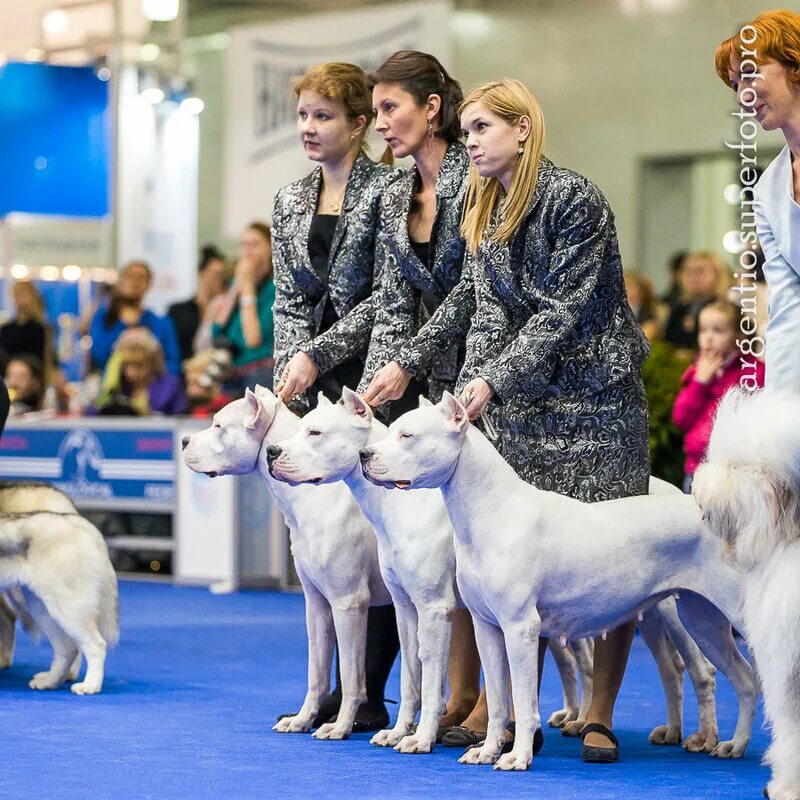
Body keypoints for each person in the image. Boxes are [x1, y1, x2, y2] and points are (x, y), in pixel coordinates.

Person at [395, 78, 650, 762]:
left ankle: (599, 713)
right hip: (526, 407)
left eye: (482, 128)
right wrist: (446, 380)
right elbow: (480, 308)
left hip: (598, 403)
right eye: (467, 131)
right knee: (518, 564)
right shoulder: (484, 204)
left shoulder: (575, 198)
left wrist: (491, 379)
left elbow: (561, 312)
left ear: (523, 129)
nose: (471, 142)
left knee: (616, 553)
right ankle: (506, 711)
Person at [349, 51, 482, 744]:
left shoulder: (476, 174)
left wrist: (409, 361)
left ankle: (491, 702)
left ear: (432, 108)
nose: (380, 122)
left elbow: (474, 291)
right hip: (434, 383)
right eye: (375, 111)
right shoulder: (395, 192)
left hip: (487, 373)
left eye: (390, 108)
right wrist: (377, 386)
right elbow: (393, 300)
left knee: (488, 546)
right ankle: (457, 697)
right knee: (445, 550)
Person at [271, 61, 403, 733]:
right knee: (322, 543)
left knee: (380, 542)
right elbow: (288, 300)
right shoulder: (289, 200)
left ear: (359, 124)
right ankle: (327, 689)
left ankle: (371, 692)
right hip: (309, 387)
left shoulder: (391, 190)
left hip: (378, 381)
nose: (308, 127)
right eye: (302, 115)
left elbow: (390, 298)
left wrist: (317, 354)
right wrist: (289, 377)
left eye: (323, 116)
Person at [717, 9, 800, 393]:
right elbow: (787, 307)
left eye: (750, 74)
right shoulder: (767, 189)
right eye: (735, 84)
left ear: (794, 64)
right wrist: (781, 405)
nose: (743, 95)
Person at [673, 300, 764, 493]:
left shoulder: (753, 372)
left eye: (718, 330)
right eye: (703, 330)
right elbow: (681, 419)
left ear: (739, 336)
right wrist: (700, 382)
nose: (708, 337)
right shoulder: (697, 371)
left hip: (734, 473)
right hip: (697, 468)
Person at [210, 223, 275, 394]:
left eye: (255, 244)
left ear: (270, 247)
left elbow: (253, 341)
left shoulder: (275, 289)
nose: (248, 251)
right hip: (232, 371)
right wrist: (236, 288)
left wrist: (247, 290)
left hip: (260, 371)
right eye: (244, 244)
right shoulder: (238, 283)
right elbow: (216, 330)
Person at [89, 261, 182, 375]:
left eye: (141, 277)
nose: (135, 282)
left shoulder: (161, 323)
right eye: (130, 276)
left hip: (152, 384)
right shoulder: (103, 318)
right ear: (120, 281)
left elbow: (173, 365)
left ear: (149, 284)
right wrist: (123, 324)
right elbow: (99, 355)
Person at [95, 328, 186, 416]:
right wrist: (109, 386)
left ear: (153, 362)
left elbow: (181, 420)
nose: (131, 372)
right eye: (126, 365)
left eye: (139, 366)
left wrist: (148, 414)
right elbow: (95, 413)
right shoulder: (116, 386)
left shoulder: (170, 386)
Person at [168, 246, 229, 363]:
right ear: (200, 272)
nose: (220, 279)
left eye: (223, 275)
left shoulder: (228, 312)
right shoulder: (178, 311)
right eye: (216, 274)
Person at [663, 250, 728, 351]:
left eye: (700, 271)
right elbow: (667, 344)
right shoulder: (679, 310)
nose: (693, 277)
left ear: (717, 275)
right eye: (688, 271)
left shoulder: (726, 310)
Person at [0, 281, 51, 369]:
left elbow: (44, 359)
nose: (19, 298)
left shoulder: (39, 328)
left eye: (23, 294)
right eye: (17, 294)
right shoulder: (6, 329)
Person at [624, 270, 662, 341]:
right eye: (626, 286)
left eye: (633, 286)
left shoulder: (649, 311)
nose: (629, 290)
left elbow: (649, 333)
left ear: (640, 290)